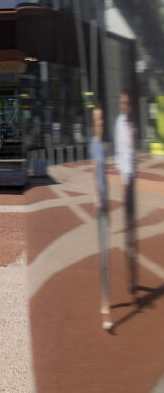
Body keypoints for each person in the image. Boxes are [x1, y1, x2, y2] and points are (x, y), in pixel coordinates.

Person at [115, 91, 138, 302]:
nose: (125, 105)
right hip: (126, 180)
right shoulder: (120, 123)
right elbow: (121, 153)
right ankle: (130, 281)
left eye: (127, 101)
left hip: (133, 178)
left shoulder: (131, 123)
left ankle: (133, 279)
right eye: (123, 101)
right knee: (128, 228)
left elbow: (132, 152)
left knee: (133, 229)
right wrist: (123, 180)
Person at [90, 108, 112, 330]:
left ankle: (105, 299)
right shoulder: (95, 145)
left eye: (102, 119)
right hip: (100, 204)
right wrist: (99, 199)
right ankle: (105, 303)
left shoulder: (101, 144)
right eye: (99, 119)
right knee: (104, 253)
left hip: (104, 202)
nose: (102, 123)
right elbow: (95, 175)